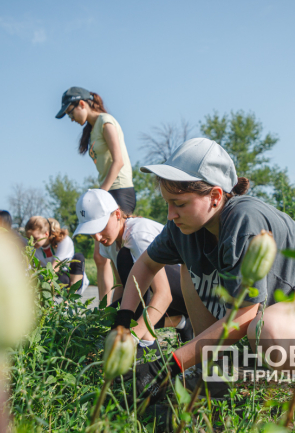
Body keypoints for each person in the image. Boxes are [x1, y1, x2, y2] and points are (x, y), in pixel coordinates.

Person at [115, 138, 295, 418]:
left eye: (179, 204)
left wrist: (169, 367)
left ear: (215, 196)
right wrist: (123, 324)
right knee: (187, 264)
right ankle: (213, 370)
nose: (170, 214)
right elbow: (145, 265)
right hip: (280, 311)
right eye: (168, 204)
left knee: (267, 331)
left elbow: (244, 317)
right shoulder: (182, 227)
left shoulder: (243, 219)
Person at [73, 189, 193, 346]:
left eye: (101, 227)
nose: (97, 237)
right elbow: (122, 287)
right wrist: (114, 324)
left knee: (125, 258)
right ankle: (181, 322)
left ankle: (148, 344)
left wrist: (132, 337)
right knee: (112, 316)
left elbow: (164, 295)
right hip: (169, 297)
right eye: (91, 231)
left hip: (193, 292)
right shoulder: (108, 242)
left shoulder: (137, 236)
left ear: (117, 214)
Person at [56, 86, 135, 305]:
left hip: (119, 190)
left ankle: (125, 305)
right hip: (108, 191)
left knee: (117, 253)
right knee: (100, 257)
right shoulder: (92, 129)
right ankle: (104, 310)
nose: (71, 118)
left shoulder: (106, 121)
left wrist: (101, 193)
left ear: (82, 104)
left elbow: (118, 161)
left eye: (70, 112)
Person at [24, 216, 89, 294]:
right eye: (29, 238)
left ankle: (70, 296)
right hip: (47, 277)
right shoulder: (32, 247)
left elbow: (55, 267)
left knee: (78, 257)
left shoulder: (63, 241)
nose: (32, 242)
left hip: (66, 275)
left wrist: (46, 288)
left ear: (46, 234)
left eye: (35, 238)